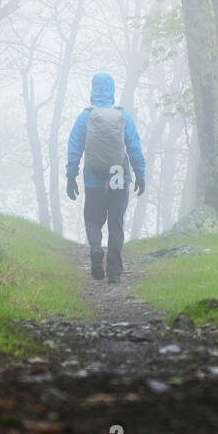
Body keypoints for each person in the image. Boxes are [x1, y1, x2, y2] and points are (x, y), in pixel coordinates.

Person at [66, 72, 145, 284]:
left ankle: (95, 250)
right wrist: (140, 174)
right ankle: (115, 272)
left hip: (94, 176)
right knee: (115, 223)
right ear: (112, 91)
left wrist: (71, 176)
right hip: (118, 175)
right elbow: (134, 146)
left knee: (92, 219)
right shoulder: (122, 116)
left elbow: (74, 147)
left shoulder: (86, 117)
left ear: (93, 90)